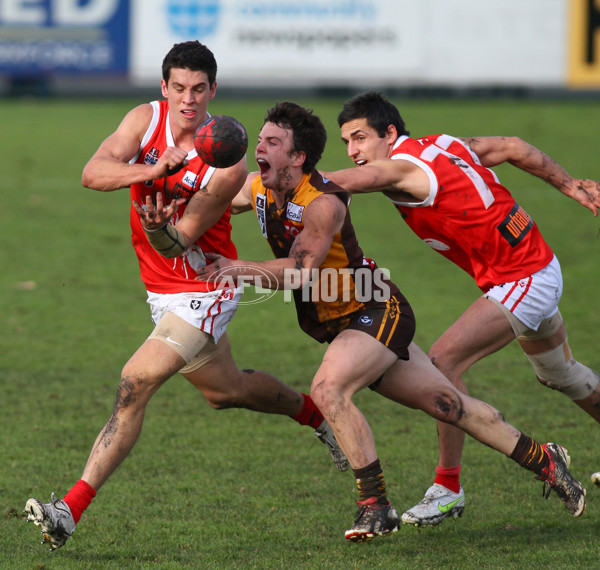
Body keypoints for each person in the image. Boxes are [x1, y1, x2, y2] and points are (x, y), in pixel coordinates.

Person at [189, 101, 584, 543]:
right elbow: (214, 196)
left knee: (328, 389)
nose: (257, 147)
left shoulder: (324, 203)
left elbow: (301, 268)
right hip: (341, 320)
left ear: (298, 157)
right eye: (258, 140)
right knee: (446, 404)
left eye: (271, 142)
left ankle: (375, 506)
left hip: (375, 310)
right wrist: (170, 206)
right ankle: (546, 462)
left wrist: (235, 268)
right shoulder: (260, 188)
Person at [23, 41, 348, 552]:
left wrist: (158, 228)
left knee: (135, 380)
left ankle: (70, 509)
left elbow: (180, 239)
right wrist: (149, 171)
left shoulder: (227, 157)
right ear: (164, 88)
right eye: (179, 88)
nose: (188, 99)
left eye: (199, 89)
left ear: (212, 90)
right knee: (227, 392)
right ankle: (315, 415)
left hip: (205, 286)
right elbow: (93, 173)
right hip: (160, 290)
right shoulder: (143, 120)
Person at [323, 90, 600, 528]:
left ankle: (447, 488)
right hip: (535, 265)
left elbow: (357, 179)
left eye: (360, 138)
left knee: (444, 360)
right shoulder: (446, 144)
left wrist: (281, 181)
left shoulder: (402, 167)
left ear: (390, 132)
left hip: (522, 279)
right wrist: (572, 185)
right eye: (347, 142)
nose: (354, 150)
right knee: (561, 374)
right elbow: (512, 145)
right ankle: (451, 487)